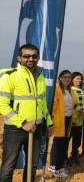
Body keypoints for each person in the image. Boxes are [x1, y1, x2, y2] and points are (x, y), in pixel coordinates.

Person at [0, 44, 52, 182]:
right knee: (8, 166)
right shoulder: (10, 76)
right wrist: (22, 123)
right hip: (15, 129)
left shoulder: (40, 76)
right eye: (26, 56)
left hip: (36, 128)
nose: (30, 59)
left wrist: (49, 123)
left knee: (32, 165)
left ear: (38, 58)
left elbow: (42, 103)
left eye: (34, 56)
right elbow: (2, 105)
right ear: (19, 58)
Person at [49, 70, 75, 178]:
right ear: (60, 78)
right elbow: (53, 106)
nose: (66, 79)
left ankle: (59, 167)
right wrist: (52, 121)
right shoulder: (57, 89)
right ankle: (54, 168)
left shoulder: (70, 91)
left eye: (69, 77)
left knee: (64, 145)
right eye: (64, 77)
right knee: (58, 145)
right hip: (59, 120)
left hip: (68, 120)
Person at [68, 72, 84, 165]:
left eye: (80, 79)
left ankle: (74, 156)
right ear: (72, 79)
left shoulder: (81, 91)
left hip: (79, 121)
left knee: (77, 141)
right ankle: (64, 159)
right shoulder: (70, 90)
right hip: (71, 121)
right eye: (76, 79)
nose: (78, 81)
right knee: (67, 140)